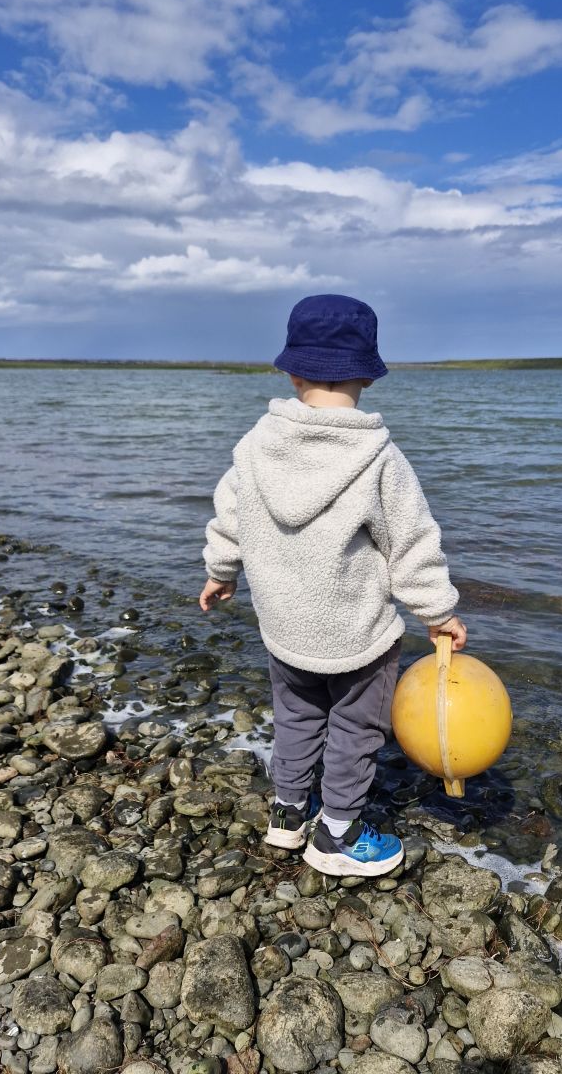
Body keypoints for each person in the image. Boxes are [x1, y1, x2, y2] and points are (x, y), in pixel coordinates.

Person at [199, 294, 466, 876]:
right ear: (369, 374)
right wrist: (437, 611)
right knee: (355, 728)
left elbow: (230, 516)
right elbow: (412, 543)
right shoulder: (378, 457)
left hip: (284, 629)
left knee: (295, 717)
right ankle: (338, 836)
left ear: (291, 370)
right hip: (357, 638)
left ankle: (288, 814)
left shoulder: (254, 448)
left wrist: (221, 573)